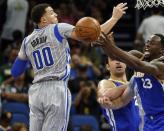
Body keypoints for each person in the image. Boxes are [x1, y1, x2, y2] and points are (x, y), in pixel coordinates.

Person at [11, 3, 128, 131]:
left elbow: (16, 72)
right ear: (43, 19)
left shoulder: (27, 41)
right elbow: (92, 35)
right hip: (56, 88)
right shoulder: (57, 28)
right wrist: (114, 18)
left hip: (36, 91)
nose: (55, 14)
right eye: (51, 12)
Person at [97, 33, 164, 131]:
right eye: (147, 42)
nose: (147, 44)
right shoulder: (138, 58)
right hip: (148, 123)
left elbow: (138, 65)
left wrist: (111, 46)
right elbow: (115, 56)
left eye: (152, 43)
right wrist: (104, 45)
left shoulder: (163, 65)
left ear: (162, 50)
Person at [97, 56, 140, 131]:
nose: (118, 62)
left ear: (126, 64)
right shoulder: (106, 83)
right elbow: (104, 95)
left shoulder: (136, 84)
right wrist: (132, 83)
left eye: (121, 59)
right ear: (108, 67)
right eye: (113, 60)